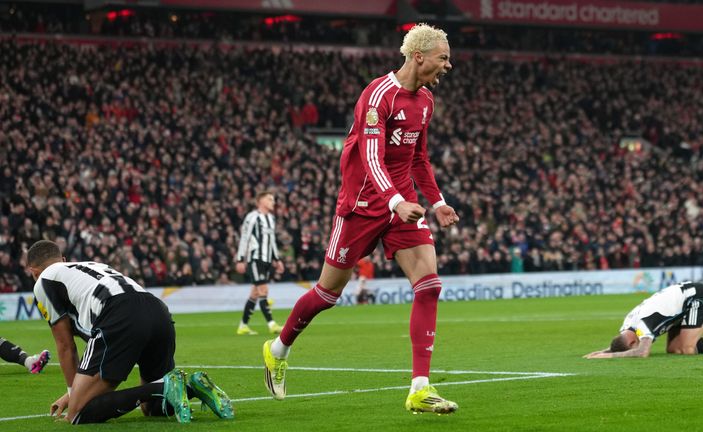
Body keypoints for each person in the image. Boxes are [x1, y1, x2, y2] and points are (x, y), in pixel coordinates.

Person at [262, 23, 459, 414]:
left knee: (429, 285)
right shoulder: (377, 95)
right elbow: (371, 158)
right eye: (443, 58)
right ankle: (278, 349)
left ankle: (420, 388)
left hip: (401, 206)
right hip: (361, 206)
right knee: (327, 294)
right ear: (419, 56)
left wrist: (436, 202)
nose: (447, 65)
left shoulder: (426, 102)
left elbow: (418, 158)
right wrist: (394, 202)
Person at [26, 239, 234, 424]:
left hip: (119, 312)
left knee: (79, 413)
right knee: (152, 409)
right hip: (156, 310)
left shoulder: (43, 281)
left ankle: (163, 387)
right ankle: (192, 387)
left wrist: (73, 396)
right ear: (62, 258)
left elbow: (65, 346)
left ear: (33, 271)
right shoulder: (88, 265)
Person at [584, 281, 703, 359]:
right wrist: (600, 352)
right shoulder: (626, 326)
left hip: (697, 297)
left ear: (632, 340)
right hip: (678, 307)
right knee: (673, 350)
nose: (636, 343)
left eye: (634, 343)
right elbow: (623, 343)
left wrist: (608, 356)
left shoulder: (642, 325)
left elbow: (642, 353)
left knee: (687, 349)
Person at [235, 191, 284, 335]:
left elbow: (272, 241)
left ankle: (243, 326)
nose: (273, 202)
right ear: (260, 201)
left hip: (267, 260)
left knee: (255, 294)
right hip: (255, 259)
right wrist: (240, 259)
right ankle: (272, 324)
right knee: (264, 290)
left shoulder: (271, 218)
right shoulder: (252, 217)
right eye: (270, 199)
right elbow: (245, 237)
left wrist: (277, 259)